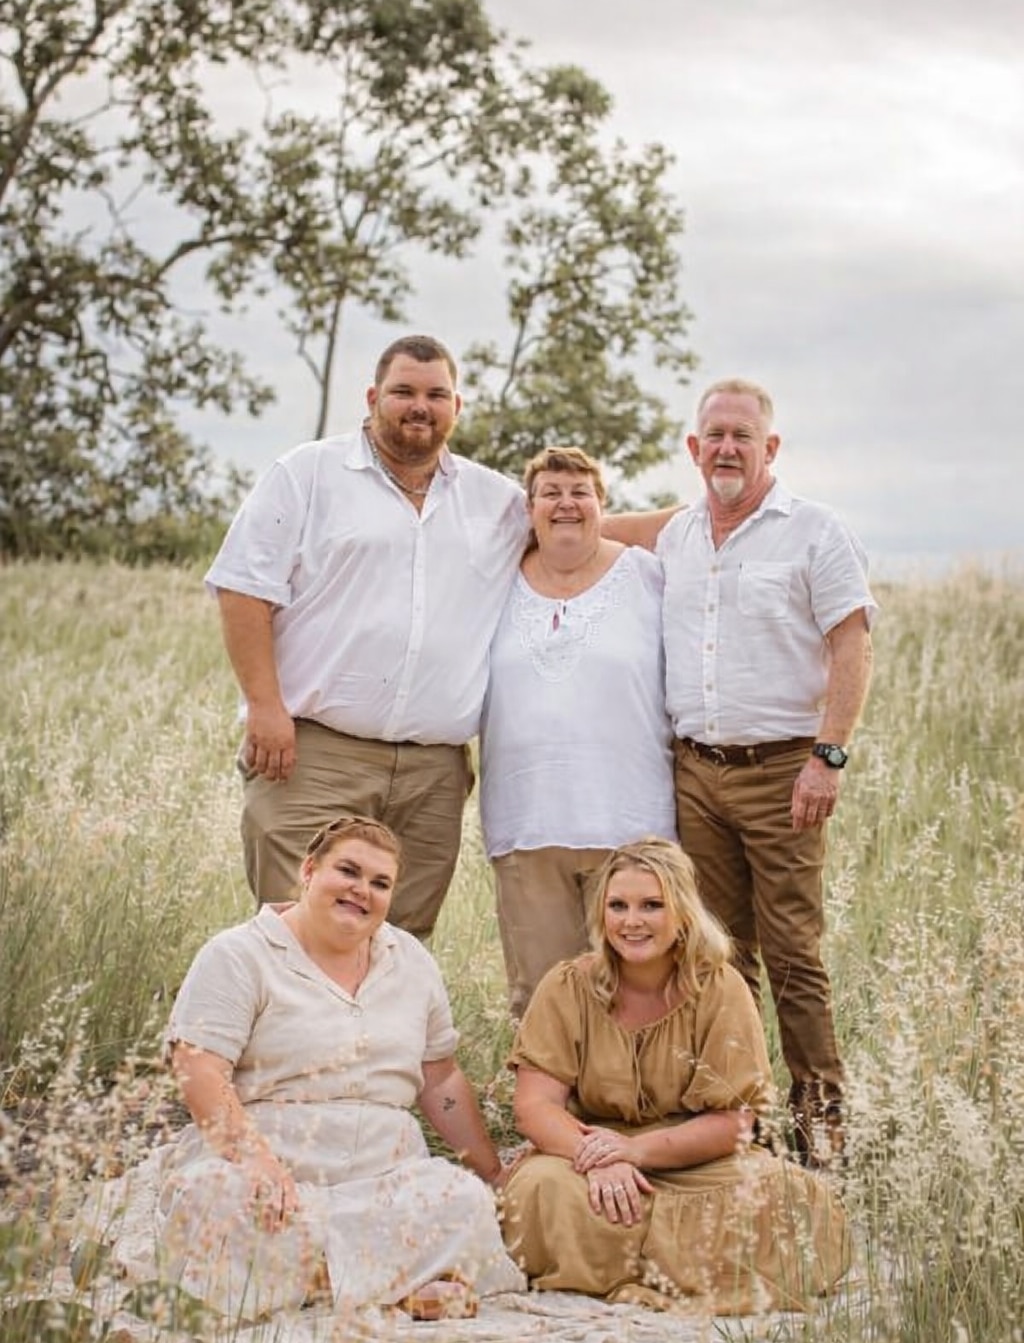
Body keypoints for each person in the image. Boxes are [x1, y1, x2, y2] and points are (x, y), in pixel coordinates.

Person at [207, 334, 671, 938]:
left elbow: (581, 527)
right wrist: (265, 707)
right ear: (373, 397)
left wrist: (712, 514)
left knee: (399, 942)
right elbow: (244, 587)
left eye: (435, 394)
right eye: (403, 392)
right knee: (297, 932)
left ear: (458, 406)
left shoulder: (493, 500)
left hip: (433, 771)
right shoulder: (307, 474)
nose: (418, 406)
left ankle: (379, 1039)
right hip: (316, 752)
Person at [78, 815, 525, 1323]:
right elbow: (197, 1067)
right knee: (210, 1203)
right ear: (309, 870)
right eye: (349, 872)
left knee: (460, 1198)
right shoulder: (239, 954)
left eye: (380, 883)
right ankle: (382, 1287)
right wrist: (256, 1163)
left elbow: (440, 1076)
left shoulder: (411, 961)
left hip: (383, 1172)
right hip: (271, 1164)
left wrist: (490, 1172)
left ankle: (311, 1283)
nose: (362, 891)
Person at [657, 378, 877, 1165]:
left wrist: (829, 754)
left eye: (741, 437)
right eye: (712, 435)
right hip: (696, 772)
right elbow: (585, 525)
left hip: (785, 769)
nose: (725, 448)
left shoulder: (813, 531)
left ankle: (823, 1128)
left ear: (769, 448)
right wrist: (533, 512)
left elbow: (851, 643)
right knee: (717, 954)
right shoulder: (677, 536)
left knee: (792, 952)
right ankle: (740, 1120)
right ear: (693, 447)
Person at [501, 839, 850, 1315]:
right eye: (617, 906)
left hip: (695, 1157)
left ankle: (616, 1264)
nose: (632, 921)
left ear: (683, 912)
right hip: (591, 1155)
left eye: (651, 905)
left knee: (794, 1196)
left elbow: (737, 1122)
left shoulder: (719, 987)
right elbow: (534, 1106)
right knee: (538, 1190)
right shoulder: (568, 985)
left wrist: (637, 1151)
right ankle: (685, 1266)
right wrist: (601, 1157)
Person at [479, 446, 676, 1018]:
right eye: (550, 494)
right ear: (530, 508)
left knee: (638, 988)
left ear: (602, 504)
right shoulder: (496, 580)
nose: (566, 504)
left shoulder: (648, 575)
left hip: (631, 821)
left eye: (580, 492)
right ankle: (547, 1107)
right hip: (526, 820)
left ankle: (635, 1106)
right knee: (544, 997)